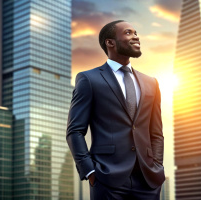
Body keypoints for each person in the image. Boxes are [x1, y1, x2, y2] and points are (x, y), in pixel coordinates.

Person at [66, 20, 165, 200]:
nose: (136, 36)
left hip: (147, 180)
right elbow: (75, 131)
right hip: (107, 178)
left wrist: (157, 164)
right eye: (128, 33)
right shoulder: (89, 79)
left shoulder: (152, 83)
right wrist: (89, 171)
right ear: (110, 42)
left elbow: (156, 132)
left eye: (136, 32)